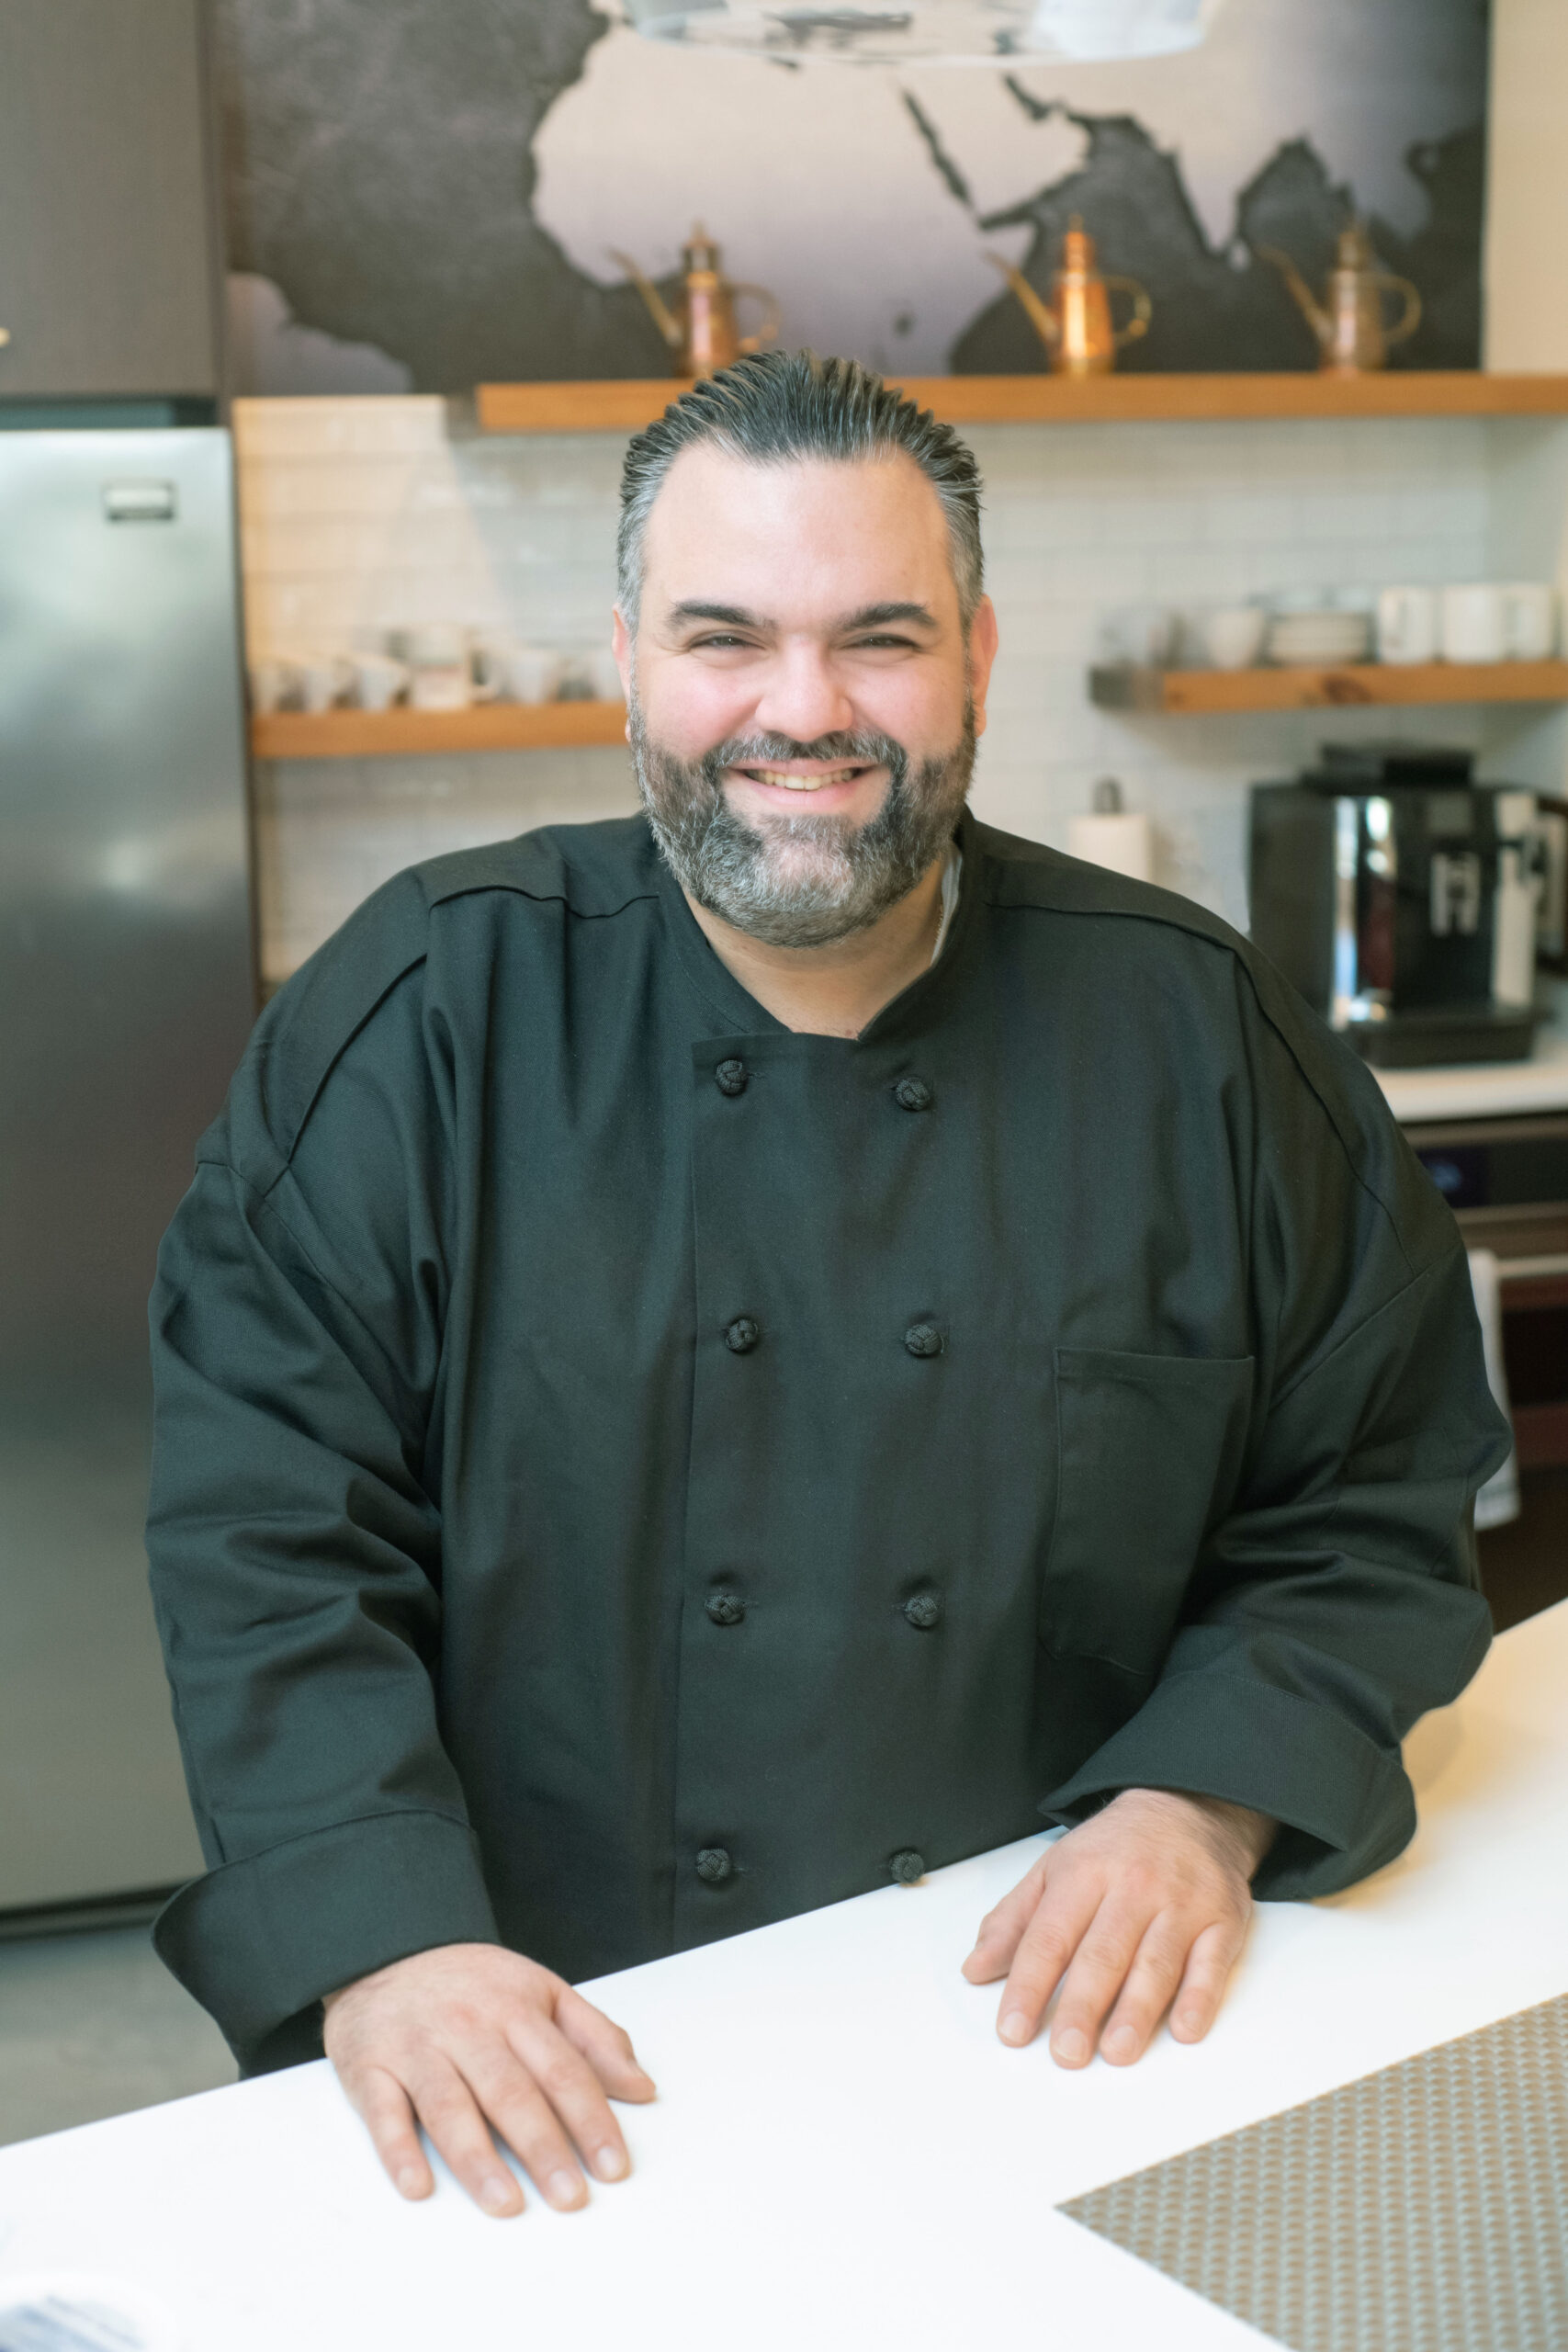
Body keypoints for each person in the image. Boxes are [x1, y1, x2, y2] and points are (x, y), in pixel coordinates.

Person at [147, 351, 1506, 2222]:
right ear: (623, 651)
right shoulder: (419, 1023)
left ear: (974, 652)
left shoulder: (1200, 1032)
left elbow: (1368, 1492)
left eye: (877, 636)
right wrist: (383, 1934)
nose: (804, 710)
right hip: (554, 2054)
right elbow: (264, 1536)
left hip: (1057, 2035)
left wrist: (1198, 1798)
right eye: (726, 636)